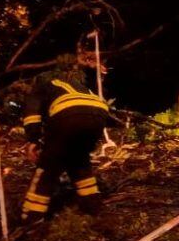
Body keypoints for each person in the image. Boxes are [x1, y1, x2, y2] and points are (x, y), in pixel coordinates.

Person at [19, 48, 117, 227]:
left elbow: (32, 114)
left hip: (69, 114)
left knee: (47, 168)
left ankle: (31, 218)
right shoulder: (72, 85)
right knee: (79, 162)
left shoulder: (40, 86)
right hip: (99, 113)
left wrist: (33, 140)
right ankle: (92, 207)